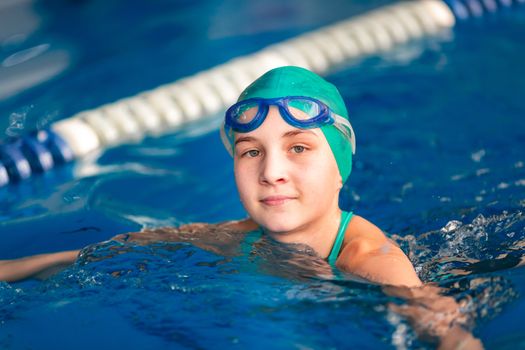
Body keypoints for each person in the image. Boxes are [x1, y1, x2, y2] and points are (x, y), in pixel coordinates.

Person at [0, 66, 482, 348]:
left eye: (298, 148)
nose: (270, 171)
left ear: (340, 168)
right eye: (251, 151)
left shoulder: (368, 260)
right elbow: (117, 249)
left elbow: (445, 327)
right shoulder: (238, 234)